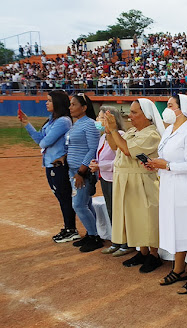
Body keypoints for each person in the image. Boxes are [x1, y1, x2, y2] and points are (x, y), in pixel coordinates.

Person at [146, 94, 187, 294]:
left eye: (171, 105)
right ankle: (179, 269)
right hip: (170, 186)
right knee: (177, 228)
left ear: (182, 109)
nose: (167, 109)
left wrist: (167, 165)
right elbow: (165, 158)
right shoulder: (169, 131)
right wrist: (155, 165)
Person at [105, 98, 165, 273]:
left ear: (147, 115)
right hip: (127, 179)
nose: (130, 116)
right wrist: (109, 130)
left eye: (134, 112)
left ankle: (154, 255)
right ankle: (143, 251)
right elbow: (114, 146)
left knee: (147, 218)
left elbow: (126, 150)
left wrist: (114, 129)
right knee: (133, 218)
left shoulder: (152, 134)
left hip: (143, 181)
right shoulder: (132, 131)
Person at [18, 90, 78, 243]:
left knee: (64, 197)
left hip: (58, 164)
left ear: (57, 103)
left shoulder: (63, 121)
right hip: (50, 163)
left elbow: (44, 142)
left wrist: (42, 140)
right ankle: (68, 228)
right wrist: (27, 123)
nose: (46, 103)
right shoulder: (51, 120)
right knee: (60, 197)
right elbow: (40, 139)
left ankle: (71, 229)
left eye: (49, 100)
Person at [89, 106, 132, 256]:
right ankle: (117, 241)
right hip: (105, 177)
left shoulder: (119, 135)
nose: (97, 121)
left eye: (100, 118)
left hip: (116, 179)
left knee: (119, 211)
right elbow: (104, 156)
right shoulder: (103, 136)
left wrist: (100, 165)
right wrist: (96, 162)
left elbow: (120, 161)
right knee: (111, 210)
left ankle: (126, 243)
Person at [66, 93, 102, 252]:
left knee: (78, 204)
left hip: (83, 172)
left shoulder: (90, 124)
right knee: (86, 203)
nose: (70, 107)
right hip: (74, 170)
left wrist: (81, 171)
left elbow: (93, 149)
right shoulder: (77, 123)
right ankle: (93, 233)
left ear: (84, 107)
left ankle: (95, 236)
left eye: (73, 104)